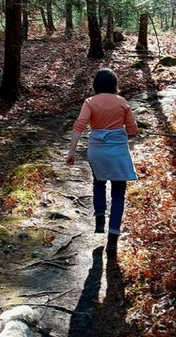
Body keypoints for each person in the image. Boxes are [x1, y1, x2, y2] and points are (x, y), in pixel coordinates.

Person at [66, 68, 138, 254]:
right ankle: (113, 236)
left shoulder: (90, 102)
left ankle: (99, 219)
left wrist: (71, 151)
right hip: (118, 153)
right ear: (114, 85)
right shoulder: (122, 102)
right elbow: (132, 130)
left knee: (98, 182)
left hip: (97, 151)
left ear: (96, 85)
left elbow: (79, 125)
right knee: (118, 193)